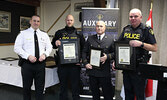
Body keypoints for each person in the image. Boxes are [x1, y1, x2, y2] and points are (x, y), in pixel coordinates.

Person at [117, 8, 157, 100]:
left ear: (141, 17)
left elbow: (154, 48)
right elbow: (118, 45)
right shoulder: (126, 29)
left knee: (139, 94)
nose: (133, 18)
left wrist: (141, 44)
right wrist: (116, 60)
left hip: (140, 68)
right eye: (131, 16)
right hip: (127, 66)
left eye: (136, 16)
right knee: (128, 93)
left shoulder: (146, 30)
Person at [14, 15, 52, 100]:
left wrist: (44, 54)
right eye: (34, 21)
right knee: (26, 88)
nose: (36, 23)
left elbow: (49, 47)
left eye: (38, 21)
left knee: (40, 88)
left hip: (40, 65)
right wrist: (28, 56)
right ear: (30, 21)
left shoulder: (44, 35)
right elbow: (17, 48)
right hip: (27, 65)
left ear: (40, 22)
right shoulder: (23, 34)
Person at [51, 14, 85, 100]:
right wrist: (56, 43)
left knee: (75, 86)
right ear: (65, 21)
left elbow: (84, 48)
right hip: (62, 65)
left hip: (75, 65)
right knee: (63, 86)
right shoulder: (59, 32)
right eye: (68, 20)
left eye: (71, 20)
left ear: (73, 21)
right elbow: (53, 45)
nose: (69, 22)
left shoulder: (79, 34)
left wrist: (81, 59)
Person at [82, 20, 114, 100]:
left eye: (101, 26)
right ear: (95, 28)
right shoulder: (90, 38)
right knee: (95, 95)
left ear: (105, 28)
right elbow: (84, 52)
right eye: (97, 26)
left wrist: (107, 56)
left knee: (107, 95)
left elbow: (115, 53)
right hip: (93, 71)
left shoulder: (110, 39)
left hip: (104, 72)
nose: (99, 28)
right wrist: (85, 63)